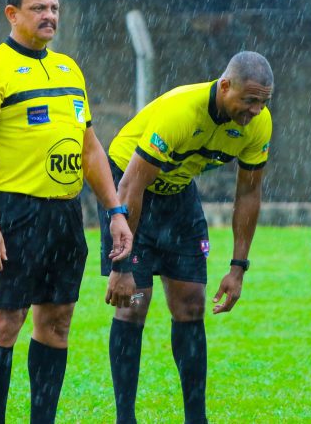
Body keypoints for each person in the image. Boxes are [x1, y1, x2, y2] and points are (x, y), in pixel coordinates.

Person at [0, 0, 133, 423]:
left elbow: (90, 147)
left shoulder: (68, 69)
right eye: (39, 8)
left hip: (65, 214)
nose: (49, 16)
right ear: (12, 14)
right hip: (15, 212)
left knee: (57, 322)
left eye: (54, 8)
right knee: (6, 322)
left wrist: (115, 210)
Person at [101, 51, 273, 424]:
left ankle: (197, 419)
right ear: (225, 86)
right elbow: (132, 184)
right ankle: (124, 418)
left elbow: (248, 193)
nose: (255, 110)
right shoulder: (180, 111)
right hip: (131, 189)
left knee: (192, 305)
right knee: (132, 303)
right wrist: (123, 263)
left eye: (263, 102)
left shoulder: (257, 125)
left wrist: (238, 267)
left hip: (178, 192)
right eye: (249, 100)